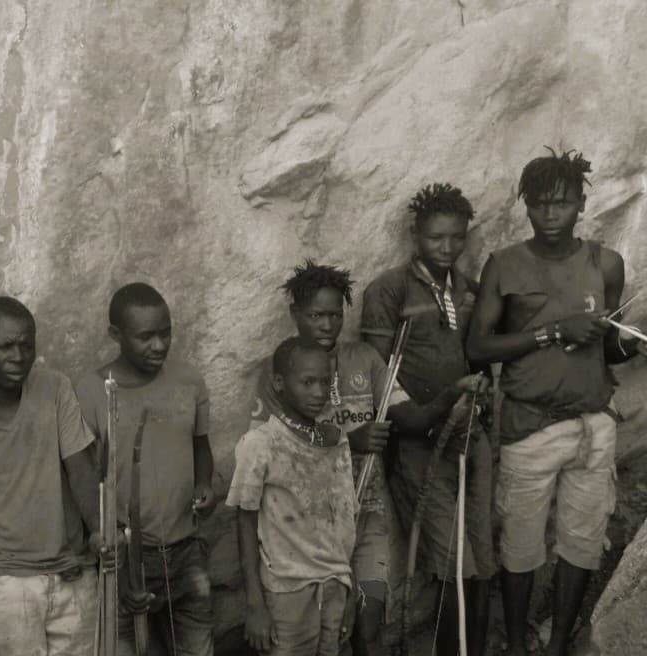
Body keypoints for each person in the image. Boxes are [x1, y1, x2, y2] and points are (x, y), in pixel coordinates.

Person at [467, 150, 645, 656]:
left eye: (562, 203)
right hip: (530, 426)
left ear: (582, 205)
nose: (549, 214)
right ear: (525, 206)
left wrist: (632, 344)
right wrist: (552, 331)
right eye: (539, 204)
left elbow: (605, 348)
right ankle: (517, 645)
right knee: (520, 545)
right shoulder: (504, 265)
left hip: (593, 426)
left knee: (582, 543)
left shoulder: (605, 264)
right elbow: (478, 348)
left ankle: (559, 643)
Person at [249, 262, 411, 656]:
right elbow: (278, 447)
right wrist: (351, 441)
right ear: (295, 315)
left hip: (367, 512)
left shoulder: (364, 357)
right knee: (328, 634)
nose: (327, 325)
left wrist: (449, 402)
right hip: (311, 531)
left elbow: (407, 413)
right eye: (316, 315)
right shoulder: (281, 369)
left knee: (368, 624)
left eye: (335, 315)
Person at [361, 183, 494, 656]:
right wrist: (422, 416)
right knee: (453, 562)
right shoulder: (389, 289)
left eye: (457, 237)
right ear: (415, 236)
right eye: (436, 237)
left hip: (470, 434)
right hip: (419, 441)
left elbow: (478, 355)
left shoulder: (468, 290)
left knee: (482, 558)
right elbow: (378, 374)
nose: (447, 247)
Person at [0, 296, 102, 656]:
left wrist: (98, 530)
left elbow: (80, 469)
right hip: (5, 586)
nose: (18, 356)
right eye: (6, 346)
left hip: (72, 575)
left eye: (26, 345)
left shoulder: (54, 388)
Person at [75, 282, 216, 656]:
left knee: (198, 648)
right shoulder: (92, 391)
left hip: (187, 549)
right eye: (146, 336)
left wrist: (205, 484)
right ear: (115, 335)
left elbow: (200, 445)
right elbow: (86, 476)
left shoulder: (188, 381)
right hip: (126, 558)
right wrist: (108, 544)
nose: (159, 345)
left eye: (166, 333)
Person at [230, 338, 358, 656]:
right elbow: (245, 524)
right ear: (279, 383)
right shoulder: (260, 444)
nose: (318, 392)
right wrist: (255, 604)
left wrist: (349, 587)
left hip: (335, 586)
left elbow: (345, 522)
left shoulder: (337, 442)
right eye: (307, 382)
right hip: (287, 591)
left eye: (325, 382)